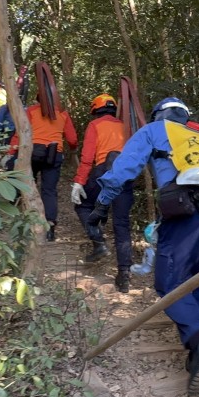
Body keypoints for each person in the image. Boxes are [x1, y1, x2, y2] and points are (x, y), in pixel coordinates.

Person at [88, 97, 199, 395]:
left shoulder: (155, 129)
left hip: (189, 205)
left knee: (171, 279)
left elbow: (124, 168)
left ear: (158, 115)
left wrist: (101, 206)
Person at [71, 94, 135, 292]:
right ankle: (124, 275)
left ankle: (99, 243)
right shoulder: (126, 126)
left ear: (95, 110)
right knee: (122, 224)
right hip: (125, 176)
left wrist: (79, 182)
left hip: (103, 173)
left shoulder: (95, 125)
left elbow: (87, 157)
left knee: (82, 205)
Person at [7, 99, 77, 241]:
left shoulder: (32, 110)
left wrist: (11, 152)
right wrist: (73, 148)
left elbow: (20, 131)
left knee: (26, 186)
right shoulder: (63, 113)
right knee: (49, 190)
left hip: (34, 151)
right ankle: (50, 229)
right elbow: (72, 139)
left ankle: (27, 223)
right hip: (54, 153)